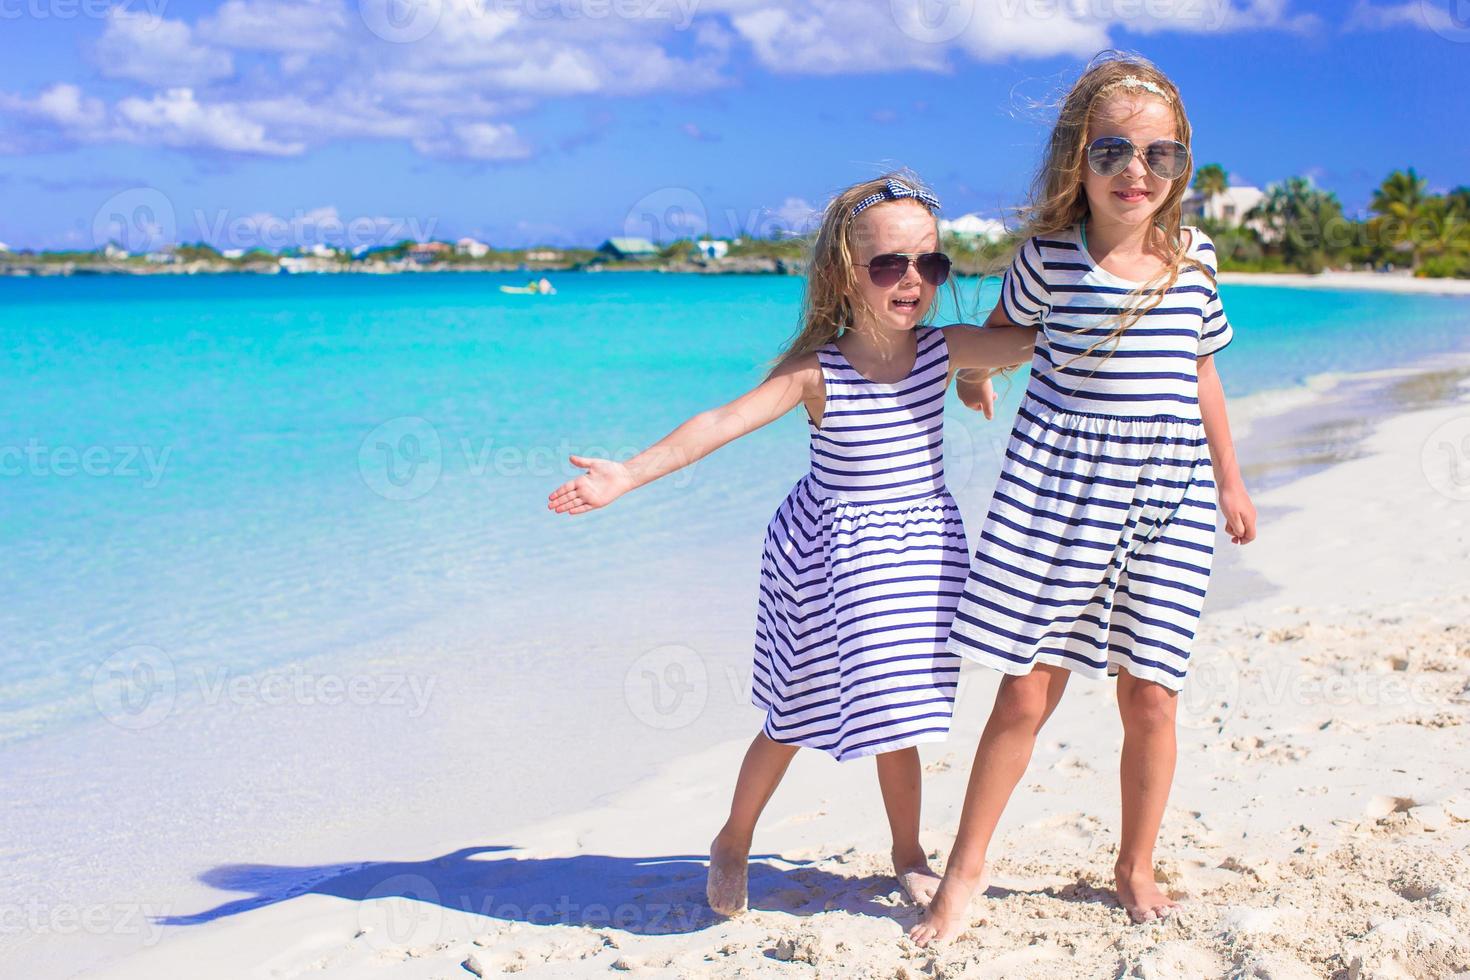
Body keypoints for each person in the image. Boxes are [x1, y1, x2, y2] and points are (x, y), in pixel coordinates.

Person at [547, 172, 1032, 916]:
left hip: (917, 557)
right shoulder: (818, 370)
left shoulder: (939, 348)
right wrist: (627, 474)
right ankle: (733, 838)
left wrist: (983, 365)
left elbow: (1028, 337)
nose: (913, 280)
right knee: (793, 718)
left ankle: (908, 851)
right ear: (845, 273)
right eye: (889, 265)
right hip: (828, 563)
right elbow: (718, 423)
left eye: (931, 264)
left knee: (897, 712)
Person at [912, 52, 1258, 944]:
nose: (1136, 173)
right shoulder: (1048, 259)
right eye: (1113, 152)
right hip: (1060, 493)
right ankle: (965, 872)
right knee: (1029, 690)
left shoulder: (1195, 261)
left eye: (1161, 155)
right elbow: (1003, 337)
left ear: (1182, 166)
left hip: (1170, 493)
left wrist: (1230, 479)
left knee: (1152, 693)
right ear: (1079, 160)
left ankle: (1134, 865)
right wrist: (961, 374)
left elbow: (1204, 374)